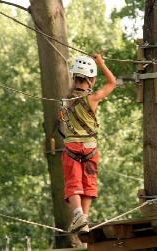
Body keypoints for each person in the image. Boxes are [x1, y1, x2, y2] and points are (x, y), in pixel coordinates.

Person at [60, 54, 116, 233]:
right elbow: (112, 82)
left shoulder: (65, 101)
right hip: (91, 148)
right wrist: (101, 63)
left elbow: (61, 118)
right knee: (88, 183)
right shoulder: (93, 98)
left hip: (72, 148)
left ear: (74, 77)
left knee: (73, 182)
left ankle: (78, 215)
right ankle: (84, 218)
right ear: (91, 80)